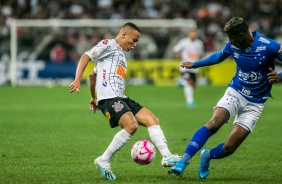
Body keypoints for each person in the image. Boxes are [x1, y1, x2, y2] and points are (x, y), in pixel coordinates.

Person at [169, 17, 282, 179]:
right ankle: (183, 161)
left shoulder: (269, 46)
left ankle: (206, 156)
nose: (229, 41)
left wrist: (280, 76)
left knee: (229, 148)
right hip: (235, 92)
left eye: (232, 38)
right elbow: (218, 56)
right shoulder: (232, 45)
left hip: (255, 103)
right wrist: (195, 64)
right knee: (214, 123)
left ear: (242, 36)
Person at [69, 22, 180, 180]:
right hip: (110, 98)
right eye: (133, 40)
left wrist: (94, 97)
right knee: (131, 126)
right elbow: (86, 56)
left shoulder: (119, 55)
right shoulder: (108, 44)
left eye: (137, 41)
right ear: (123, 35)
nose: (134, 44)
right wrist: (78, 79)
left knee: (152, 120)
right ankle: (104, 160)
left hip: (120, 97)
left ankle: (167, 156)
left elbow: (93, 75)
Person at [172, 28, 205, 108]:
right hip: (185, 66)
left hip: (194, 67)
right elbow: (175, 49)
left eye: (195, 33)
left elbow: (200, 54)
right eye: (192, 33)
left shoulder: (199, 43)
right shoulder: (184, 42)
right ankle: (190, 102)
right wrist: (178, 56)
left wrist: (199, 62)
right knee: (189, 83)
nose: (193, 34)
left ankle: (181, 80)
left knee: (193, 85)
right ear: (188, 34)